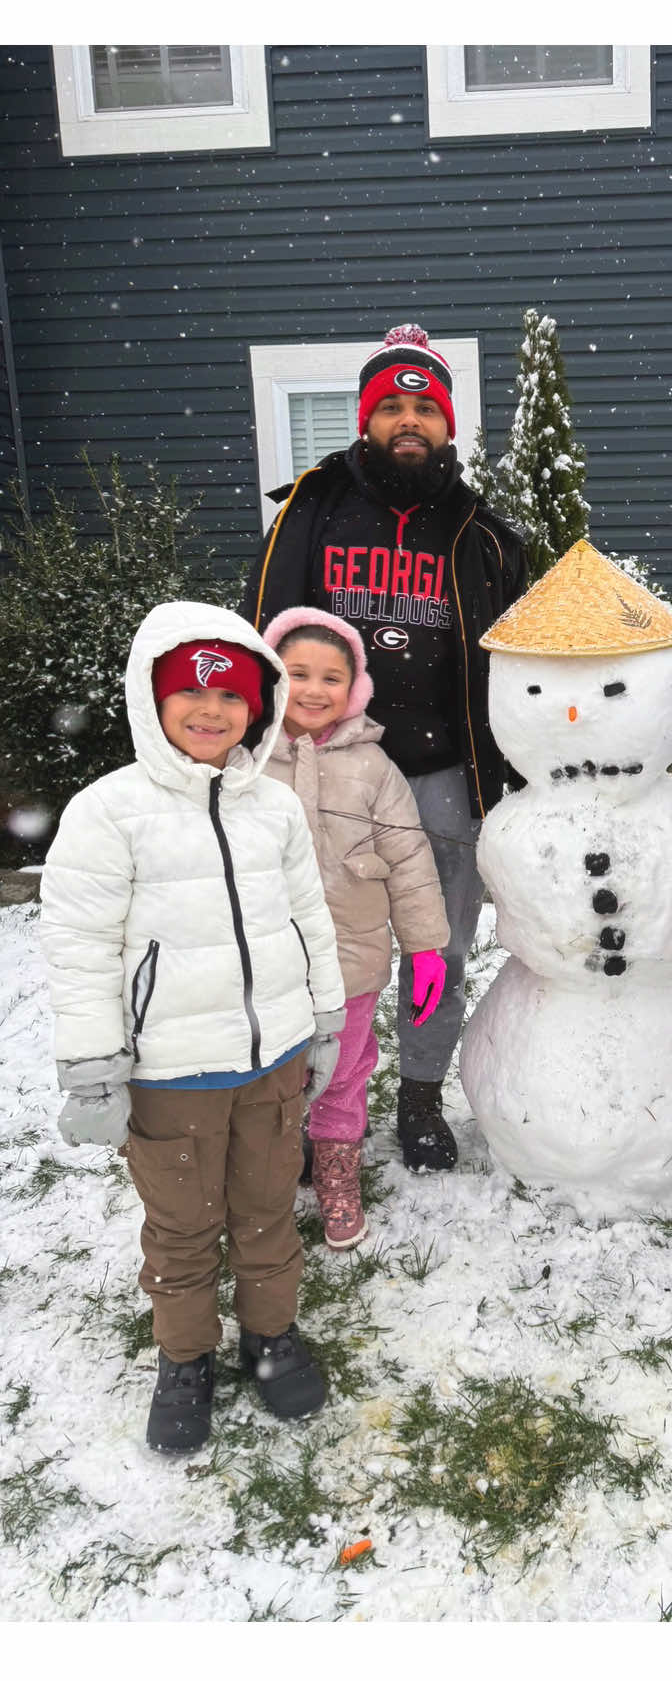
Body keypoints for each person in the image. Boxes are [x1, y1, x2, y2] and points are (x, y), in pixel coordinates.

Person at [39, 601, 346, 1454]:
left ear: (259, 707)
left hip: (272, 1061)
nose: (212, 712)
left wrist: (323, 1018)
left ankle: (270, 1337)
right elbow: (80, 942)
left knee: (267, 1208)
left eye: (232, 697)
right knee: (180, 1225)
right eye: (191, 692)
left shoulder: (275, 808)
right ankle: (185, 1356)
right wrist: (94, 1064)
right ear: (152, 695)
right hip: (171, 1074)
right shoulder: (109, 811)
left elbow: (310, 916)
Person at [243, 323, 528, 1174]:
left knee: (437, 943)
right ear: (367, 418)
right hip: (323, 767)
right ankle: (308, 1096)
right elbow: (267, 636)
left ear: (448, 423)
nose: (410, 421)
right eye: (392, 406)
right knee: (310, 937)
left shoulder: (484, 535)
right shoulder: (314, 509)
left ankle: (418, 1092)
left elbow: (517, 667)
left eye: (425, 407)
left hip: (443, 770)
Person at [260, 606, 451, 1246]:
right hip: (266, 963)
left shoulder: (375, 766)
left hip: (353, 956)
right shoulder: (242, 760)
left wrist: (425, 947)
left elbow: (409, 859)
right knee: (274, 1075)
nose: (314, 690)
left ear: (355, 688)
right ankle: (277, 1172)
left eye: (331, 678)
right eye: (298, 674)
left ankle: (338, 1175)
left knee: (342, 1072)